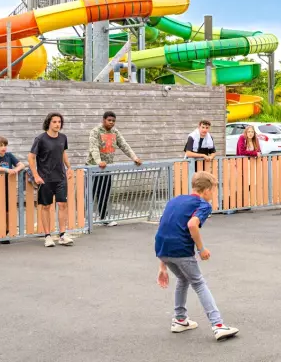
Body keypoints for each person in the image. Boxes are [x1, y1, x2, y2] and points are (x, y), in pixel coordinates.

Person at [155, 171, 239, 342]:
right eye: (213, 191)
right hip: (181, 249)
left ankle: (180, 319)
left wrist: (162, 264)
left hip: (162, 248)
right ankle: (218, 325)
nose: (213, 195)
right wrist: (201, 249)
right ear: (206, 190)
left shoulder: (175, 200)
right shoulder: (203, 204)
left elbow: (164, 225)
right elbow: (192, 224)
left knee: (183, 278)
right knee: (199, 283)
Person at [87, 111, 143, 227]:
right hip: (93, 167)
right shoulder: (95, 131)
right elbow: (94, 148)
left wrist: (134, 157)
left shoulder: (115, 132)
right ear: (104, 120)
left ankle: (104, 218)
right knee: (91, 194)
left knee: (104, 193)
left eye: (113, 121)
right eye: (109, 120)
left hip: (107, 168)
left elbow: (124, 145)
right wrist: (98, 161)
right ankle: (87, 220)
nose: (111, 123)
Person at [28, 113, 74, 247]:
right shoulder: (40, 139)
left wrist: (69, 167)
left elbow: (63, 153)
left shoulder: (63, 138)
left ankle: (62, 235)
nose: (57, 124)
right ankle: (47, 236)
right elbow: (31, 157)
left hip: (60, 177)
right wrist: (36, 175)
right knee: (46, 207)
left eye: (59, 122)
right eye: (54, 122)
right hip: (45, 179)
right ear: (49, 123)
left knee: (62, 205)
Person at [0, 136, 25, 244]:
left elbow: (21, 164)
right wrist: (6, 169)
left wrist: (15, 170)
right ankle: (1, 233)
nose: (3, 147)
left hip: (9, 187)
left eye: (5, 145)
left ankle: (7, 230)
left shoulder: (9, 156)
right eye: (0, 145)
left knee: (8, 211)